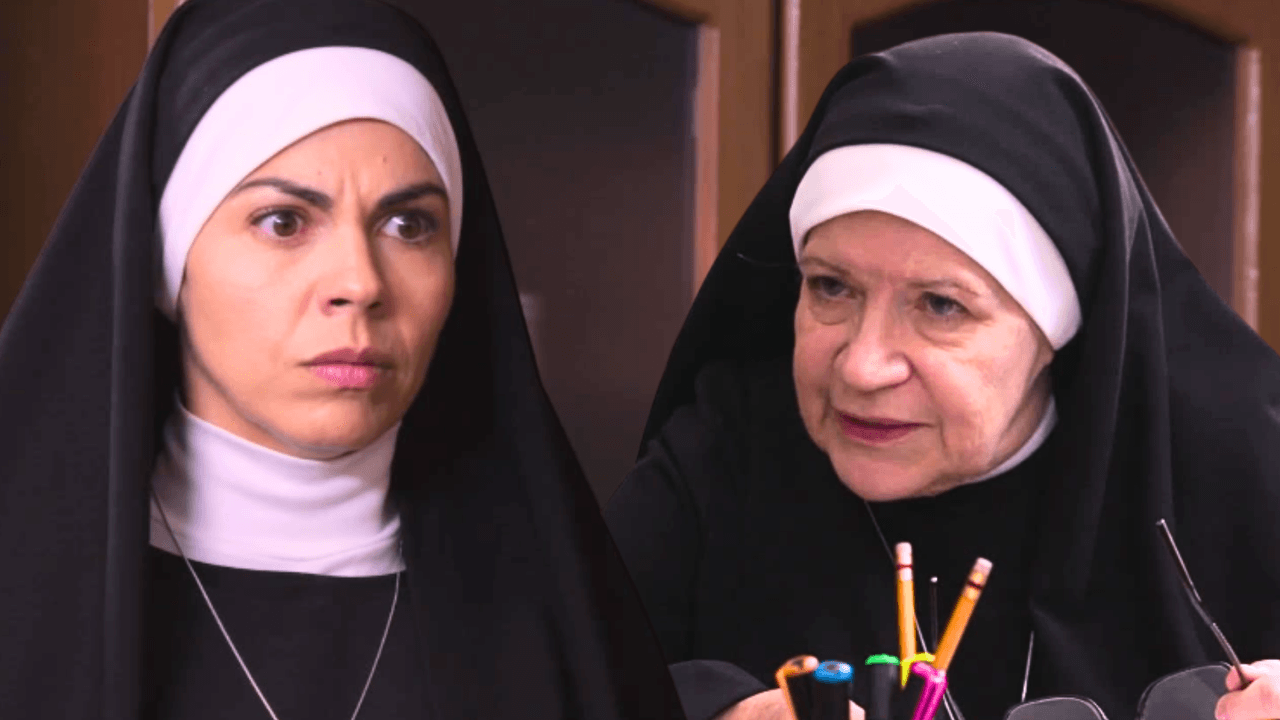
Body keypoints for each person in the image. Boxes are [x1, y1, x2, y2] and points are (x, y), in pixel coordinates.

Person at [0, 0, 685, 718]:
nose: (360, 283)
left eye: (408, 225)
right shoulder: (21, 590)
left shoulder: (563, 626)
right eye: (283, 222)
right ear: (166, 262)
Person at [605, 31, 1280, 720]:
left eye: (940, 305)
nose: (864, 366)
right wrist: (726, 711)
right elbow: (565, 673)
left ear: (1056, 327)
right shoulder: (722, 452)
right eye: (831, 287)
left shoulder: (1240, 474)